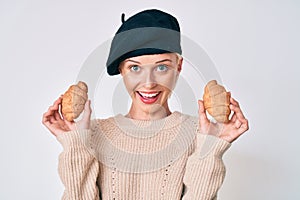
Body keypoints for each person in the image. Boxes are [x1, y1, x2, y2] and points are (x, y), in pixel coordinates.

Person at [42, 9, 249, 200]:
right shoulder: (92, 134)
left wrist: (210, 150)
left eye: (161, 67)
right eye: (135, 68)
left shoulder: (201, 134)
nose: (149, 83)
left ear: (179, 66)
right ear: (121, 70)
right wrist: (76, 144)